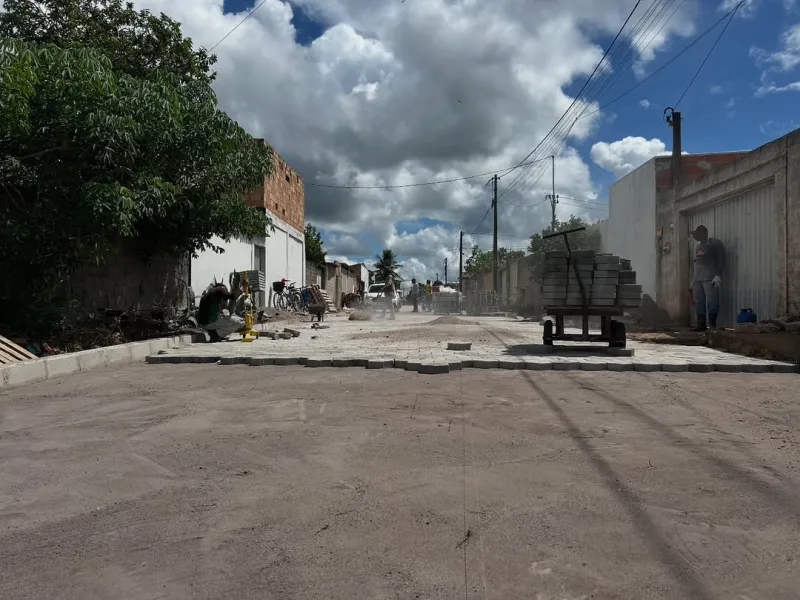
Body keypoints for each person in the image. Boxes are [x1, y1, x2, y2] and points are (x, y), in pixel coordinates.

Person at [690, 224, 726, 331]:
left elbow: (721, 258)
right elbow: (697, 263)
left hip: (710, 278)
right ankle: (701, 325)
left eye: (696, 234)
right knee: (698, 302)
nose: (694, 236)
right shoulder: (698, 246)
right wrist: (693, 279)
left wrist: (718, 274)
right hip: (698, 279)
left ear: (703, 233)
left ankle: (712, 325)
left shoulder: (715, 244)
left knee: (712, 301)